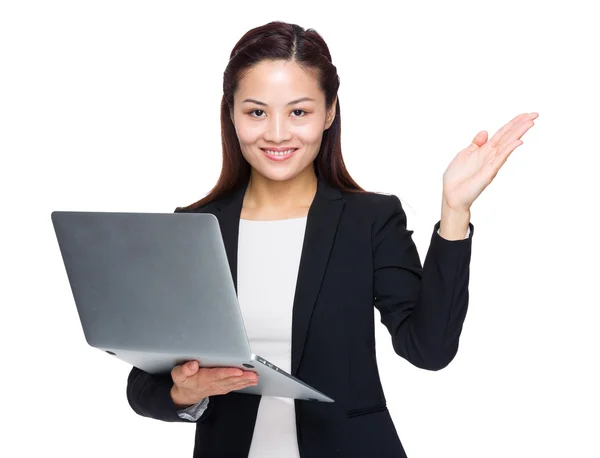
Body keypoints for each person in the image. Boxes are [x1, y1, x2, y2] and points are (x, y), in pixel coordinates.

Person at [126, 20, 537, 458]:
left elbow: (429, 349)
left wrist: (454, 212)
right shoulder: (194, 226)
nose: (278, 133)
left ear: (329, 112)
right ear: (231, 113)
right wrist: (184, 392)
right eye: (256, 111)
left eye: (298, 111)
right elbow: (143, 385)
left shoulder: (370, 219)